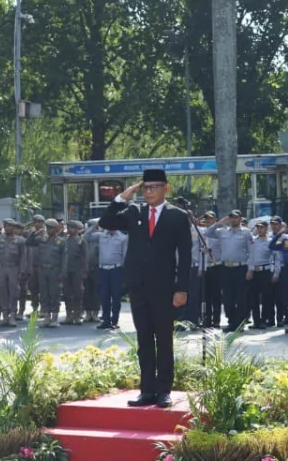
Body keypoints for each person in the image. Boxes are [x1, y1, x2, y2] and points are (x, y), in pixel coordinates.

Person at [99, 169, 191, 408]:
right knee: (144, 340)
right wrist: (122, 197)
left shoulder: (178, 216)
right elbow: (106, 222)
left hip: (164, 287)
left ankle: (164, 391)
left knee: (164, 339)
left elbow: (185, 255)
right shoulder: (133, 211)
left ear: (166, 189)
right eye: (146, 187)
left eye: (154, 187)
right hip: (138, 286)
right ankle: (147, 390)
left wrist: (182, 289)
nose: (149, 192)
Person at [207, 211, 251, 332]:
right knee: (227, 297)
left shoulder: (246, 232)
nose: (233, 220)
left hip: (241, 267)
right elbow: (207, 233)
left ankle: (240, 322)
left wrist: (250, 269)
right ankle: (231, 321)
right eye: (231, 217)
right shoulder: (222, 232)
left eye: (236, 217)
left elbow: (251, 251)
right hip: (226, 268)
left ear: (240, 219)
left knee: (241, 297)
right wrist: (219, 223)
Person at [30, 219, 68, 327]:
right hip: (42, 270)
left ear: (56, 229)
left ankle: (54, 318)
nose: (49, 230)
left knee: (54, 294)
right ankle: (47, 317)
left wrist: (62, 273)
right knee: (44, 294)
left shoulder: (61, 242)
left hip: (54, 270)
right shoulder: (42, 239)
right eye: (48, 227)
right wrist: (34, 233)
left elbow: (64, 259)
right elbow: (29, 242)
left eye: (51, 228)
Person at [95, 220, 128, 330]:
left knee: (116, 297)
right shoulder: (101, 235)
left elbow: (125, 255)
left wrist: (124, 273)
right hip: (103, 269)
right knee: (104, 296)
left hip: (116, 269)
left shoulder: (123, 237)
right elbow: (87, 236)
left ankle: (114, 320)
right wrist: (97, 224)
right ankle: (106, 320)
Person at [0, 219, 27, 327]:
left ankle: (12, 315)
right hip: (2, 268)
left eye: (10, 226)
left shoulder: (20, 240)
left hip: (14, 268)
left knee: (14, 292)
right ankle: (5, 316)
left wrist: (22, 271)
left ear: (14, 227)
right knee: (2, 291)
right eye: (6, 226)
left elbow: (23, 257)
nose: (7, 228)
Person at [63, 220, 89, 325]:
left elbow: (85, 257)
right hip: (66, 270)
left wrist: (85, 271)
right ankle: (69, 315)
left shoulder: (81, 241)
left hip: (77, 271)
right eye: (68, 228)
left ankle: (77, 315)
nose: (70, 230)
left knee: (77, 293)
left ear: (77, 229)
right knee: (67, 293)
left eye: (72, 228)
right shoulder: (64, 241)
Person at [82, 218, 102, 323]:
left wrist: (95, 226)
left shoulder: (100, 235)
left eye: (91, 225)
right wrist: (92, 227)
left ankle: (95, 313)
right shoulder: (85, 237)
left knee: (96, 291)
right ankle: (87, 313)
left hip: (96, 267)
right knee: (86, 291)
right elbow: (85, 236)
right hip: (86, 268)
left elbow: (88, 235)